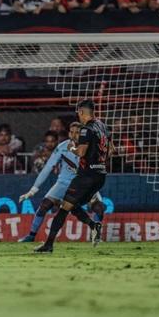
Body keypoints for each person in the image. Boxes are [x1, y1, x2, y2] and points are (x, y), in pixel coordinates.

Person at [35, 100, 108, 253]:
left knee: (63, 208)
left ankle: (48, 245)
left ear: (81, 112)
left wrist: (72, 148)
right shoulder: (102, 126)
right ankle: (94, 225)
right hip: (100, 175)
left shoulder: (86, 130)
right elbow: (111, 150)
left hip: (85, 176)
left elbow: (80, 152)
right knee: (73, 206)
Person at [19, 122, 105, 243]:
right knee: (44, 205)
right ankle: (31, 236)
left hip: (84, 184)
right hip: (63, 184)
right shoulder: (62, 147)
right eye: (72, 132)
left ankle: (95, 235)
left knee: (99, 207)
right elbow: (48, 167)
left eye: (77, 133)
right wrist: (34, 189)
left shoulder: (90, 147)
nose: (74, 135)